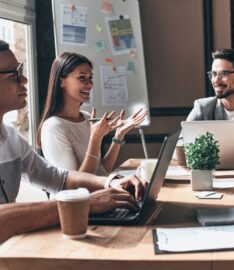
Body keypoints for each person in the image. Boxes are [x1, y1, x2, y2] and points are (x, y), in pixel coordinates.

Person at [0, 40, 147, 242]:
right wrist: (84, 202)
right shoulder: (53, 126)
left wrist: (112, 182)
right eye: (14, 75)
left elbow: (61, 179)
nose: (24, 80)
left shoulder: (12, 138)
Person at [36, 52, 147, 175]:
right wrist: (95, 139)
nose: (90, 84)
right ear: (62, 81)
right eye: (82, 77)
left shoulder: (87, 118)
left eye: (90, 77)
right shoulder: (53, 127)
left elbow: (101, 171)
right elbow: (75, 185)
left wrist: (119, 135)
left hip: (99, 193)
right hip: (81, 194)